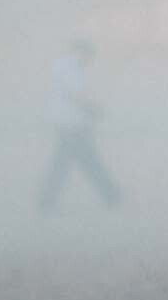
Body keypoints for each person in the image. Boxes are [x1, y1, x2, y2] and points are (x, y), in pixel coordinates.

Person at [37, 39, 121, 212]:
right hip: (72, 124)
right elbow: (75, 95)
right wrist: (93, 109)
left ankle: (111, 195)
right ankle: (111, 195)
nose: (89, 61)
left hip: (69, 123)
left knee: (78, 161)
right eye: (89, 57)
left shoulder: (65, 66)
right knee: (81, 162)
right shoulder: (70, 68)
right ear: (81, 52)